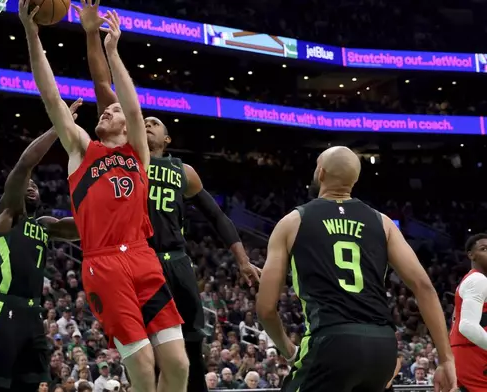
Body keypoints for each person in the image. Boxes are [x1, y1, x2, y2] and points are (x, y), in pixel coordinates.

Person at [72, 2, 260, 391]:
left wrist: (242, 260)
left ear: (167, 140)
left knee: (188, 350)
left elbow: (217, 216)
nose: (149, 122)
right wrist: (93, 35)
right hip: (134, 255)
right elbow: (101, 83)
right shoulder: (124, 155)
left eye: (157, 123)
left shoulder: (182, 171)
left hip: (174, 261)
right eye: (146, 119)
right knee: (144, 355)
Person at [20, 2, 189, 392]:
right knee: (144, 367)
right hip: (104, 262)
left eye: (112, 111)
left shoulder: (138, 154)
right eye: (106, 110)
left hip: (143, 256)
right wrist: (32, 35)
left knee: (178, 365)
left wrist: (113, 51)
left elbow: (132, 106)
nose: (108, 112)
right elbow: (51, 98)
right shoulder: (82, 150)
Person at [256, 146, 459, 392]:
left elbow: (266, 309)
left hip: (331, 342)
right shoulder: (382, 222)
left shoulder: (292, 222)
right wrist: (446, 359)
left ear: (320, 173)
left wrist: (289, 352)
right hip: (382, 347)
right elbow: (424, 287)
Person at [0, 115, 80, 390]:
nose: (32, 187)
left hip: (33, 312)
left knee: (31, 384)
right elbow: (25, 164)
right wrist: (58, 128)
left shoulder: (46, 226)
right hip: (3, 305)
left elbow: (85, 227)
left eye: (36, 187)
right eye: (28, 186)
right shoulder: (8, 215)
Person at [450, 233, 487, 391]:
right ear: (471, 255)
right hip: (473, 356)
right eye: (484, 249)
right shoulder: (478, 280)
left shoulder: (473, 280)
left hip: (471, 353)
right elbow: (466, 326)